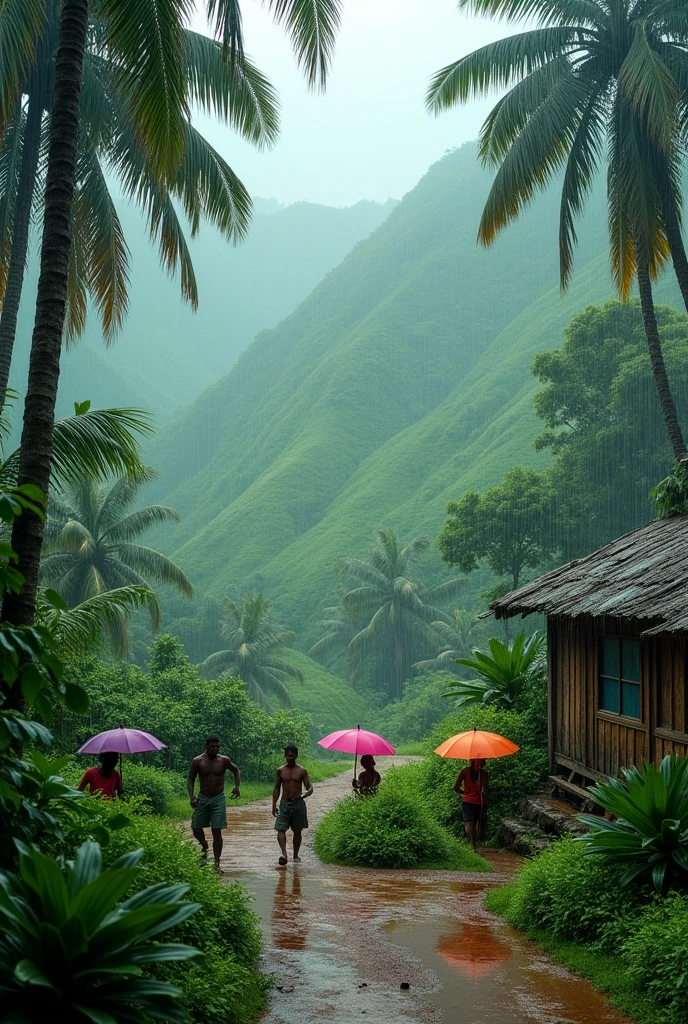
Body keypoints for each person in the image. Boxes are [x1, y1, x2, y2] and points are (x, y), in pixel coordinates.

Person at [188, 734, 240, 873]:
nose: (215, 749)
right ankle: (204, 846)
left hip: (218, 798)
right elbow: (191, 779)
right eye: (212, 747)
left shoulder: (224, 760)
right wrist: (191, 796)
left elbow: (236, 771)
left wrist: (237, 787)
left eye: (218, 746)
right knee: (196, 826)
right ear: (206, 746)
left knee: (216, 830)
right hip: (203, 797)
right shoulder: (197, 761)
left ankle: (217, 864)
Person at [272, 744, 313, 865]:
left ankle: (295, 855)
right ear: (285, 756)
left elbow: (308, 787)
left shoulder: (302, 771)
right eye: (287, 756)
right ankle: (284, 854)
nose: (289, 758)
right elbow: (276, 789)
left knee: (297, 831)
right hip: (284, 803)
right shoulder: (280, 771)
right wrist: (274, 805)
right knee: (280, 829)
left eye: (291, 756)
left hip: (298, 804)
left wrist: (306, 794)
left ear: (296, 755)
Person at [453, 758, 489, 851]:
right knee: (478, 823)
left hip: (468, 801)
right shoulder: (484, 774)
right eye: (483, 760)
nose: (485, 762)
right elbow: (485, 790)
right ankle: (475, 844)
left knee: (469, 822)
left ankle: (473, 844)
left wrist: (464, 793)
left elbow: (456, 787)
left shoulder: (465, 771)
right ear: (477, 761)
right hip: (481, 802)